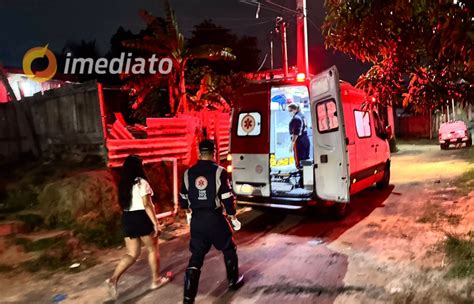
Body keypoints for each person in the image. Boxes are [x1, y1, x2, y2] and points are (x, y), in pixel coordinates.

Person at [180, 140, 244, 304]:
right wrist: (232, 216)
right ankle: (233, 281)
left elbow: (183, 198)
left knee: (196, 257)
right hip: (214, 219)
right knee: (229, 247)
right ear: (214, 153)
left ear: (199, 152)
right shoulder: (219, 172)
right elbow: (226, 198)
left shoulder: (188, 173)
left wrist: (188, 213)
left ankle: (188, 298)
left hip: (197, 221)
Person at [105, 155, 171, 299]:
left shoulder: (123, 184)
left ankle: (113, 279)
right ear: (138, 167)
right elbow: (147, 204)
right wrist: (155, 223)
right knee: (152, 249)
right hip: (141, 217)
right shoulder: (141, 182)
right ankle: (155, 280)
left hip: (128, 218)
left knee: (132, 254)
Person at [288, 103, 310, 169]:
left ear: (295, 109)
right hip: (306, 139)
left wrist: (292, 143)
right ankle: (307, 174)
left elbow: (296, 133)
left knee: (299, 161)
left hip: (299, 141)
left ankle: (301, 175)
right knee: (306, 159)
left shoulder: (296, 118)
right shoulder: (302, 115)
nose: (289, 112)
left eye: (290, 110)